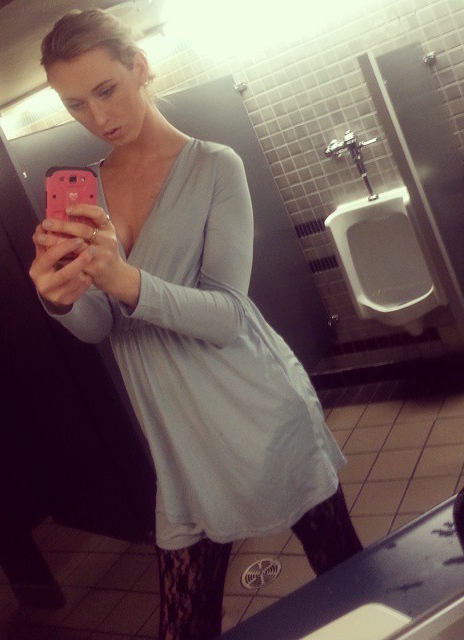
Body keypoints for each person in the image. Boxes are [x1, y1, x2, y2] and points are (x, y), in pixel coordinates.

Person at [29, 9, 362, 640]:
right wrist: (60, 298)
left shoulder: (214, 167)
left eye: (107, 90)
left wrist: (124, 279)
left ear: (139, 67)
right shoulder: (87, 190)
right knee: (184, 627)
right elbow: (101, 328)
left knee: (347, 578)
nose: (98, 117)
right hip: (181, 442)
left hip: (258, 413)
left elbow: (227, 316)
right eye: (75, 105)